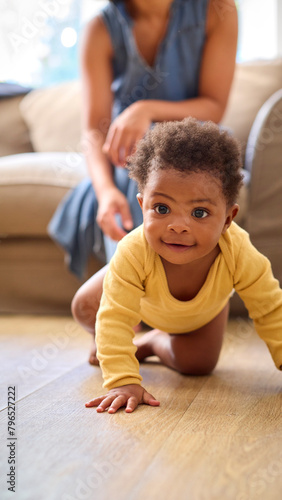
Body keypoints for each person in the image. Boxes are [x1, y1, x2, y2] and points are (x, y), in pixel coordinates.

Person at [49, 0, 238, 333]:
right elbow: (95, 131)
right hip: (128, 159)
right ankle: (129, 313)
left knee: (160, 170)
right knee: (135, 171)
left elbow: (214, 106)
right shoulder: (100, 29)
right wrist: (105, 192)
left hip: (193, 149)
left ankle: (158, 316)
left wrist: (145, 109)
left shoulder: (217, 10)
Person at [84, 118, 282, 414]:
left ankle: (150, 342)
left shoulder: (238, 251)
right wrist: (123, 380)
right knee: (84, 306)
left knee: (198, 365)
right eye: (162, 209)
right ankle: (117, 346)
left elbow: (270, 308)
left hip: (202, 314)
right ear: (142, 206)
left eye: (199, 212)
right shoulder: (133, 251)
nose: (178, 226)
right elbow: (114, 317)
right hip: (137, 297)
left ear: (228, 219)